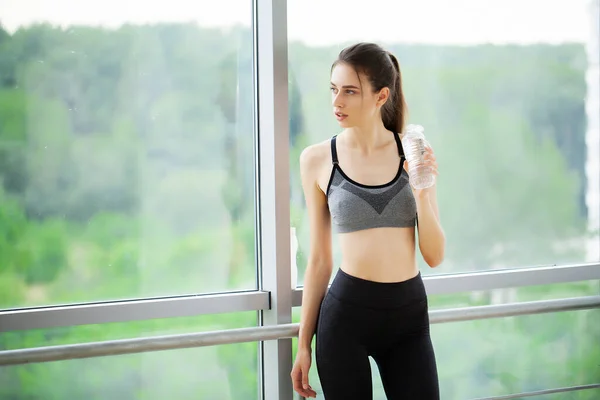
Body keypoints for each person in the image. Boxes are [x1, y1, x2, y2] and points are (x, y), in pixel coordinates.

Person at [290, 42, 445, 400]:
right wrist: (303, 345)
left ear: (381, 96)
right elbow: (318, 261)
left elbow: (434, 256)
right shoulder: (316, 159)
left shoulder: (415, 152)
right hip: (346, 318)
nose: (337, 102)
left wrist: (422, 191)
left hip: (409, 318)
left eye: (350, 91)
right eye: (333, 90)